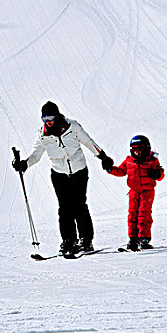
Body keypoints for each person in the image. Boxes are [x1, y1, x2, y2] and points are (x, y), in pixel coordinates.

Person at [12, 101, 114, 256]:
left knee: (79, 206)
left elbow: (88, 141)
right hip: (59, 173)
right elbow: (36, 154)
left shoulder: (72, 126)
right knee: (64, 209)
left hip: (79, 170)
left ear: (57, 115)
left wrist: (103, 157)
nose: (48, 122)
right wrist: (24, 165)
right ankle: (69, 240)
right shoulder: (42, 134)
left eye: (51, 118)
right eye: (44, 119)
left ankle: (86, 240)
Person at [105, 135, 164, 251]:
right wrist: (110, 169)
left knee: (144, 214)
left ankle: (144, 239)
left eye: (140, 149)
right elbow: (121, 171)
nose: (138, 152)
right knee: (132, 215)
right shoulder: (129, 161)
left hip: (147, 192)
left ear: (146, 148)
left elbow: (160, 173)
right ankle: (133, 239)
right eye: (135, 149)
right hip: (134, 192)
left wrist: (157, 174)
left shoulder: (152, 161)